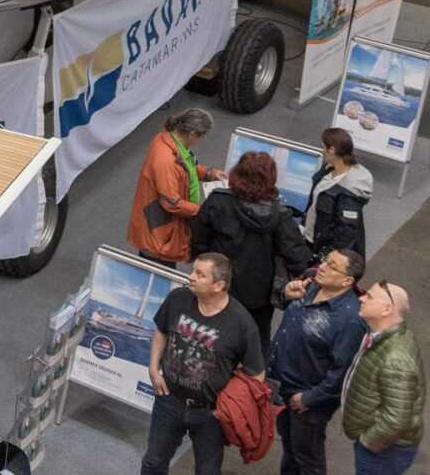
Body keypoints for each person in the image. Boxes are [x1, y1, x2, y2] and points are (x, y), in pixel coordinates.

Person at [141, 253, 266, 475]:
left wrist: (230, 409)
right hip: (169, 400)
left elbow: (256, 374)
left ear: (219, 285)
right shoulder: (178, 298)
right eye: (193, 271)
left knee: (207, 471)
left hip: (210, 414)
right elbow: (161, 330)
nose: (191, 277)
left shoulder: (242, 324)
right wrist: (153, 369)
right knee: (153, 462)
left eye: (200, 274)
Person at [189, 150, 312, 348]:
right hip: (258, 295)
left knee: (207, 337)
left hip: (217, 284)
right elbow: (297, 256)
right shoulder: (280, 214)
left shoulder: (218, 201)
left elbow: (198, 241)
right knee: (255, 342)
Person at [271, 248, 370, 475]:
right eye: (325, 260)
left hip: (308, 401)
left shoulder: (351, 320)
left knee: (307, 458)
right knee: (290, 448)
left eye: (332, 266)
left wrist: (309, 398)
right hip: (283, 388)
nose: (322, 267)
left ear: (347, 281)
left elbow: (342, 372)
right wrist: (286, 293)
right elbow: (283, 306)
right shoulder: (310, 284)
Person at [128, 107, 223, 268]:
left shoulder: (170, 141)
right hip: (158, 233)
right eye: (201, 136)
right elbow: (172, 203)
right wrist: (202, 211)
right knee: (159, 273)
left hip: (162, 226)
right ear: (192, 133)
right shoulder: (165, 160)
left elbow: (187, 168)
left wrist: (210, 174)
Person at [342, 281, 421, 475]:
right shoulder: (380, 336)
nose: (361, 298)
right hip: (382, 447)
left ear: (386, 309)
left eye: (369, 296)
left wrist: (368, 442)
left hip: (383, 451)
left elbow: (397, 420)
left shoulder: (396, 358)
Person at [308, 128, 375, 259]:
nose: (322, 151)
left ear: (332, 150)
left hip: (326, 251)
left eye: (324, 147)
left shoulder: (350, 191)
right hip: (313, 239)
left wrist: (327, 257)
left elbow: (346, 233)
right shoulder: (328, 170)